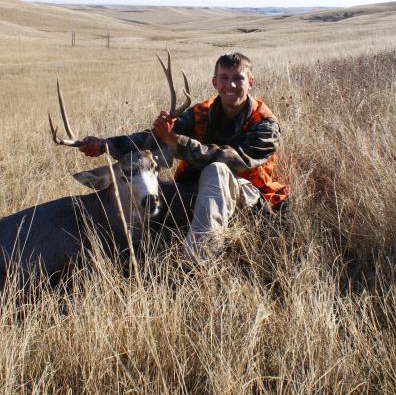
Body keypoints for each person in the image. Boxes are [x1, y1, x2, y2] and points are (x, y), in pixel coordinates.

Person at [78, 52, 288, 263]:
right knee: (150, 187)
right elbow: (154, 140)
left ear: (251, 82)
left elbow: (234, 160)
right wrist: (108, 144)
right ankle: (128, 255)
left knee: (216, 171)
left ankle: (196, 261)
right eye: (224, 78)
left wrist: (176, 142)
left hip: (249, 198)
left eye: (238, 78)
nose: (231, 85)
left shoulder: (265, 124)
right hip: (197, 192)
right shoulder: (202, 113)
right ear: (215, 82)